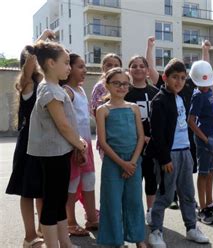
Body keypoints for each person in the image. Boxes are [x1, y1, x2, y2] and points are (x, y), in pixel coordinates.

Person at [27, 40, 86, 248]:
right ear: (51, 63)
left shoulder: (55, 88)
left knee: (59, 200)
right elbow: (62, 124)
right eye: (66, 62)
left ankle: (65, 242)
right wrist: (79, 143)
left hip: (59, 153)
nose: (69, 67)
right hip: (52, 155)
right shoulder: (49, 90)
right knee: (52, 203)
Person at [147, 59, 209, 248]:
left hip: (185, 153)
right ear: (165, 77)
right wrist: (164, 158)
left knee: (188, 194)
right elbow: (156, 133)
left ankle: (191, 228)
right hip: (170, 155)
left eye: (182, 78)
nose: (179, 82)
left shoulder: (183, 96)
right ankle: (156, 231)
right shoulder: (159, 100)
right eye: (175, 77)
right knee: (165, 195)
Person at [5, 28, 53, 248]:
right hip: (28, 144)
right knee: (27, 191)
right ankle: (29, 236)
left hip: (43, 142)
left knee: (42, 189)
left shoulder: (46, 84)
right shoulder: (28, 83)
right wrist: (42, 37)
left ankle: (44, 230)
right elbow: (31, 59)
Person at [95, 68, 146, 247]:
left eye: (125, 83)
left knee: (134, 201)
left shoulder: (133, 108)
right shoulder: (103, 110)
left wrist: (131, 163)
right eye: (116, 83)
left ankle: (139, 238)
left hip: (133, 162)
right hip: (113, 162)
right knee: (112, 203)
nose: (121, 86)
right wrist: (122, 164)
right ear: (107, 85)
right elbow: (102, 141)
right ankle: (115, 241)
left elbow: (141, 137)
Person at [62, 53, 98, 236]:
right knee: (73, 182)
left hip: (86, 145)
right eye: (80, 66)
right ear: (69, 69)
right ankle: (70, 221)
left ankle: (92, 218)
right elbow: (64, 122)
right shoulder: (67, 91)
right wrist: (76, 145)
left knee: (89, 179)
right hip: (74, 146)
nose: (85, 70)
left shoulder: (81, 90)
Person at [188, 60, 213, 225]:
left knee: (211, 172)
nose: (205, 86)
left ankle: (210, 203)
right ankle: (202, 208)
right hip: (205, 140)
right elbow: (191, 121)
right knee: (203, 173)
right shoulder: (198, 96)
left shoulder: (209, 91)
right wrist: (205, 139)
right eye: (201, 84)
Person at [124, 55, 159, 225]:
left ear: (147, 70)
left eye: (141, 66)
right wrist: (139, 137)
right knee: (134, 180)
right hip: (132, 145)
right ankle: (133, 213)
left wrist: (153, 137)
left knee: (151, 179)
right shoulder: (126, 93)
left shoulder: (154, 92)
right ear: (129, 70)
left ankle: (150, 211)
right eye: (134, 66)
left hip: (151, 144)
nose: (138, 68)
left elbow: (161, 120)